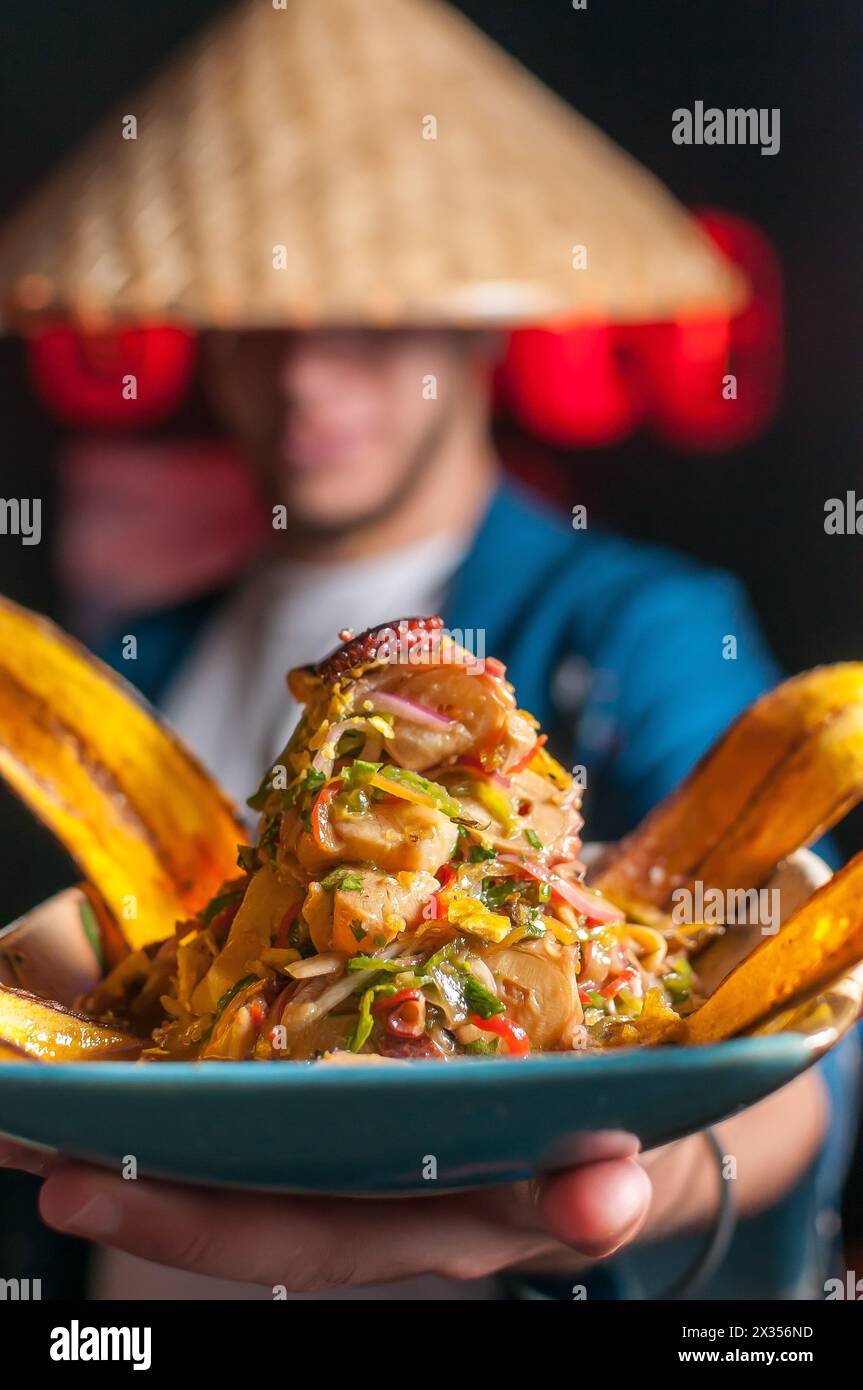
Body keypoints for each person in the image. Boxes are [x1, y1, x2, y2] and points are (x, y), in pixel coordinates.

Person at [0, 0, 856, 1301]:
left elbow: (794, 1010)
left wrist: (653, 1182)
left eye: (373, 312)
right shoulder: (132, 656)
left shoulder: (644, 624)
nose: (306, 372)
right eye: (258, 309)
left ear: (480, 321)